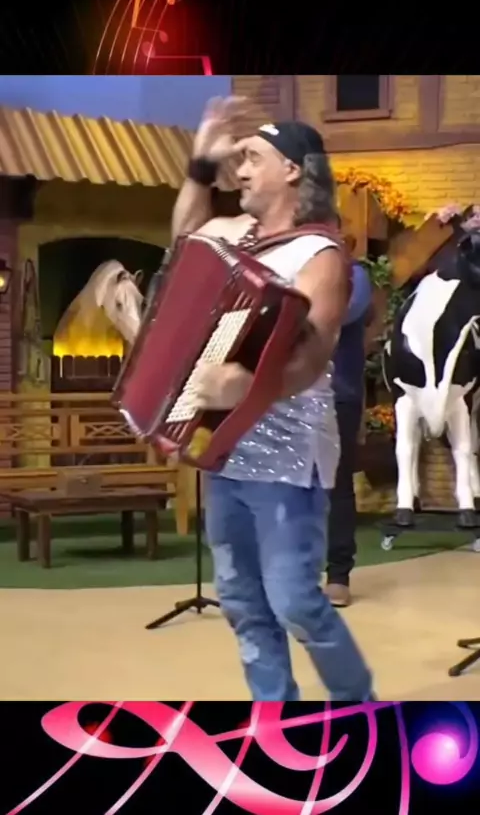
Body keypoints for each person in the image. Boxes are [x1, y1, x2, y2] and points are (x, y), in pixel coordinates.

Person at [172, 96, 374, 701]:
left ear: (291, 169)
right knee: (240, 599)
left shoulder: (322, 256)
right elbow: (184, 242)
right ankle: (276, 714)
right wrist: (200, 165)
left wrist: (247, 386)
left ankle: (358, 704)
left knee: (294, 601)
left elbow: (310, 356)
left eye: (251, 158)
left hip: (288, 454)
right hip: (226, 445)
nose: (240, 171)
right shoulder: (235, 234)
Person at [326, 259, 372, 608]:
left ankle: (338, 575)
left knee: (338, 484)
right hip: (289, 395)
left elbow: (339, 314)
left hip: (338, 394)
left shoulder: (355, 275)